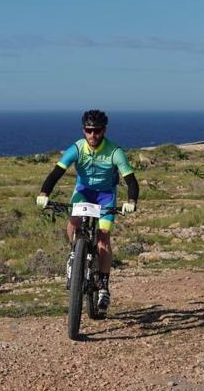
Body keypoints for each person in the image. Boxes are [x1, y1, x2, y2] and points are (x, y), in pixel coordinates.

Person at [36, 110, 139, 311]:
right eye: (89, 130)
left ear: (104, 130)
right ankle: (74, 254)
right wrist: (43, 194)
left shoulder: (115, 151)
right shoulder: (77, 148)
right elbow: (56, 173)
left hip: (106, 195)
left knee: (103, 237)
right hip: (83, 192)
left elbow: (131, 180)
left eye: (97, 130)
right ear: (83, 130)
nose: (93, 135)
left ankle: (104, 285)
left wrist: (131, 201)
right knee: (73, 222)